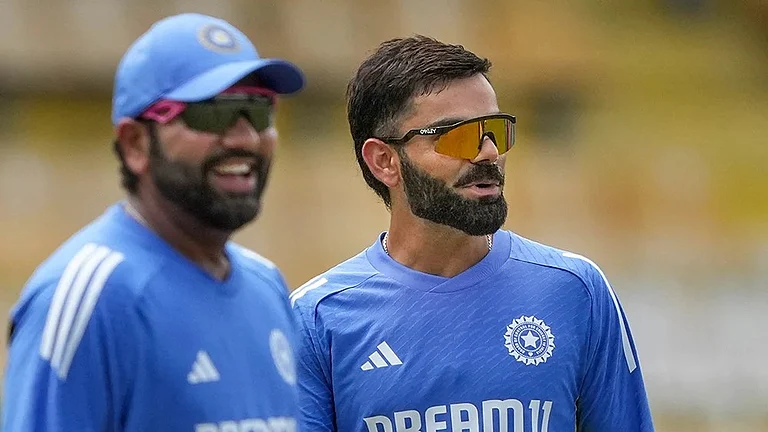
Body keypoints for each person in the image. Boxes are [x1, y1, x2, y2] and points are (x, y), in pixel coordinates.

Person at [290, 35, 654, 431]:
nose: (489, 152)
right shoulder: (318, 318)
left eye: (495, 131)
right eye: (456, 135)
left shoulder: (576, 290)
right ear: (384, 161)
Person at [3, 13, 304, 431]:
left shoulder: (267, 286)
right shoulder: (91, 299)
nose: (246, 138)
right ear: (135, 144)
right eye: (212, 114)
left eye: (258, 111)